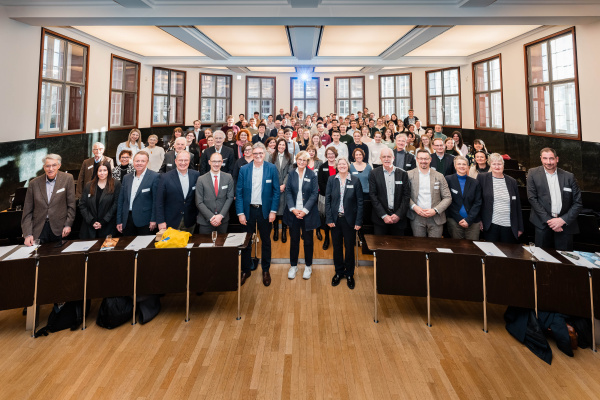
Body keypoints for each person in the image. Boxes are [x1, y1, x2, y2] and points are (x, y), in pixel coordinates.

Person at [236, 142, 280, 287]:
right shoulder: (244, 169)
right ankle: (246, 269)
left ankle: (266, 270)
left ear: (264, 154)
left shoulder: (271, 168)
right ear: (251, 154)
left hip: (265, 211)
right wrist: (240, 213)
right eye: (256, 154)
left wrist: (273, 211)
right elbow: (239, 193)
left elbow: (276, 192)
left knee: (266, 241)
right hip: (248, 211)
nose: (258, 156)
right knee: (246, 242)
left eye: (261, 153)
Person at [526, 148, 582, 251]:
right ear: (541, 159)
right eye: (545, 158)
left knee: (565, 260)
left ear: (557, 159)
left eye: (551, 159)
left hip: (564, 226)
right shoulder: (532, 173)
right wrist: (550, 221)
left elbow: (578, 203)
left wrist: (562, 220)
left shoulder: (569, 176)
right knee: (542, 259)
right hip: (542, 225)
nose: (548, 162)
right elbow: (532, 198)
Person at [22, 154, 76, 246]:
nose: (50, 169)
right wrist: (28, 234)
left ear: (59, 166)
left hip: (60, 228)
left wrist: (68, 224)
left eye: (54, 165)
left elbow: (71, 205)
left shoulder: (68, 178)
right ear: (44, 167)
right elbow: (27, 211)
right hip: (39, 229)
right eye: (48, 166)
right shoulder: (33, 183)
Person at [326, 157, 363, 290]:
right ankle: (338, 272)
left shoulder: (355, 180)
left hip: (350, 221)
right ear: (336, 166)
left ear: (348, 166)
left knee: (349, 248)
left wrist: (358, 221)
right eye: (339, 164)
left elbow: (360, 202)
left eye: (344, 164)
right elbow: (328, 200)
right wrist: (329, 219)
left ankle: (349, 274)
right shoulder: (331, 180)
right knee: (336, 248)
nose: (342, 166)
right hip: (335, 220)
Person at [283, 151, 319, 280]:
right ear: (296, 160)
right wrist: (293, 209)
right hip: (293, 213)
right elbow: (288, 192)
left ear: (307, 162)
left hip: (307, 213)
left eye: (304, 160)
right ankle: (293, 265)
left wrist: (304, 210)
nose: (302, 162)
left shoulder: (312, 174)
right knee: (294, 241)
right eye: (300, 160)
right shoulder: (291, 173)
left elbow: (315, 193)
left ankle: (308, 266)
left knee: (308, 241)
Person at [477, 153, 524, 243]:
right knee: (491, 252)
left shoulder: (512, 181)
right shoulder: (482, 178)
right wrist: (479, 220)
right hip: (491, 224)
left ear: (503, 165)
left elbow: (517, 205)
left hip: (508, 225)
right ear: (490, 165)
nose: (497, 166)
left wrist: (520, 227)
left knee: (507, 253)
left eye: (499, 164)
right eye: (494, 164)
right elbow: (478, 200)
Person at [407, 149, 452, 238]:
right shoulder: (408, 175)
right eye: (421, 158)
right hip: (416, 217)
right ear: (417, 159)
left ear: (430, 159)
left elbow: (447, 197)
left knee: (435, 247)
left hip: (436, 217)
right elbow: (405, 196)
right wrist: (414, 207)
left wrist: (435, 210)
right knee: (419, 246)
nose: (423, 161)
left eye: (426, 159)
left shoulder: (439, 176)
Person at [368, 148, 411, 236]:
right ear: (380, 158)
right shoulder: (374, 173)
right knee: (380, 247)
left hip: (399, 219)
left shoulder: (403, 174)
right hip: (380, 219)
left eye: (389, 156)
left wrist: (398, 215)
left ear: (393, 158)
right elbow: (373, 196)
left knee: (397, 247)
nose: (386, 159)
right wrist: (384, 215)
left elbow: (406, 196)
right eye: (384, 157)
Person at [155, 151, 200, 234]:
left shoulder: (196, 175)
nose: (183, 163)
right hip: (171, 221)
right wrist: (160, 221)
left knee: (189, 245)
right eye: (180, 160)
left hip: (190, 221)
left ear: (189, 161)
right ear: (175, 161)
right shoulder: (165, 177)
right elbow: (159, 201)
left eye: (186, 160)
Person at [116, 151, 160, 236]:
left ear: (147, 162)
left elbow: (156, 201)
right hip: (127, 220)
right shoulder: (126, 178)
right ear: (133, 161)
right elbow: (121, 200)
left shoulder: (155, 177)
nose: (139, 163)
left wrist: (154, 219)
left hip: (146, 221)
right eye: (137, 161)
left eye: (143, 161)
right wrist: (119, 220)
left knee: (144, 247)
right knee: (128, 247)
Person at [78, 161, 121, 239]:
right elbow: (82, 205)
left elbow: (116, 204)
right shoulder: (89, 185)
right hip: (89, 227)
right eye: (100, 170)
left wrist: (103, 221)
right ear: (96, 172)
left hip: (108, 226)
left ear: (109, 171)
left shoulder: (116, 184)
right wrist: (92, 221)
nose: (102, 173)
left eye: (105, 170)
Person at [195, 152, 235, 234]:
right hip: (205, 222)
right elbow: (199, 202)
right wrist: (212, 217)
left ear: (222, 163)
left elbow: (230, 198)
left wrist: (220, 216)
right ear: (209, 162)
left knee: (221, 245)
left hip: (222, 221)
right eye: (214, 161)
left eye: (219, 161)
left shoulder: (228, 177)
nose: (216, 164)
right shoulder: (201, 179)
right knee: (205, 246)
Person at [445, 156, 482, 240]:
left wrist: (468, 220)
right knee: (457, 248)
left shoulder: (475, 182)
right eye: (459, 164)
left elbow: (478, 202)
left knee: (473, 248)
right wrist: (459, 219)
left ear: (468, 166)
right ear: (455, 166)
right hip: (454, 220)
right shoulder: (448, 179)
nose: (462, 166)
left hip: (472, 222)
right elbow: (448, 200)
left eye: (464, 164)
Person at [317, 147, 338, 250]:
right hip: (325, 196)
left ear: (335, 154)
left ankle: (336, 239)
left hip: (339, 197)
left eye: (332, 153)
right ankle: (326, 238)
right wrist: (330, 193)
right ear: (326, 155)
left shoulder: (340, 166)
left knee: (337, 218)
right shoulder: (322, 167)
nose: (331, 155)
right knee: (326, 218)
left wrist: (336, 194)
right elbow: (320, 182)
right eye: (329, 154)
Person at [272, 138, 292, 243]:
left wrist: (284, 184)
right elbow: (270, 172)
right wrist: (277, 185)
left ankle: (284, 231)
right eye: (279, 144)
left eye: (283, 145)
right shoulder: (272, 156)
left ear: (286, 146)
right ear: (277, 145)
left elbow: (290, 172)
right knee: (275, 209)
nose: (281, 147)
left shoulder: (290, 156)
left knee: (284, 210)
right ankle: (275, 230)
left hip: (285, 187)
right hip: (274, 187)